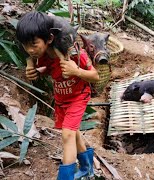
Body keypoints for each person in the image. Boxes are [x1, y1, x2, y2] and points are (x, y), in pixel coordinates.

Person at [16, 11, 100, 180]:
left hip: (78, 96)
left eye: (34, 44)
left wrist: (76, 70)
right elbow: (50, 70)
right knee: (73, 133)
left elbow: (95, 76)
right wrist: (37, 72)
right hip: (61, 100)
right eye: (26, 45)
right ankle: (87, 168)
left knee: (67, 134)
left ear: (49, 39)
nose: (30, 50)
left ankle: (65, 177)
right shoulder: (44, 55)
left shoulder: (74, 55)